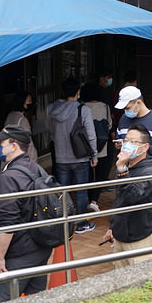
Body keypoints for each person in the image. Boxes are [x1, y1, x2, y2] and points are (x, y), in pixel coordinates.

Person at [0, 126, 54, 302]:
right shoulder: (36, 168)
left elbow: (8, 223)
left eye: (1, 143)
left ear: (14, 146)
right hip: (40, 246)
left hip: (20, 252)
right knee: (33, 302)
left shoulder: (9, 178)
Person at [102, 126, 152, 267]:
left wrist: (122, 169)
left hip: (140, 236)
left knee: (143, 280)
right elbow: (119, 200)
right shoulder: (124, 167)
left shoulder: (150, 171)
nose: (127, 145)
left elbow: (133, 196)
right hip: (120, 234)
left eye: (133, 142)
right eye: (126, 141)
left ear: (145, 147)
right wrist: (113, 226)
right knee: (121, 278)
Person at [47, 78, 98, 234]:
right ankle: (81, 224)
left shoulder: (51, 109)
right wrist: (94, 155)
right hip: (80, 157)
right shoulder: (83, 110)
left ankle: (64, 224)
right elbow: (91, 134)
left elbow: (50, 131)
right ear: (78, 92)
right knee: (81, 191)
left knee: (63, 191)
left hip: (61, 157)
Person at [80, 82, 114, 214]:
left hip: (85, 146)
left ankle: (88, 199)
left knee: (88, 173)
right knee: (100, 173)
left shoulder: (82, 107)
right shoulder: (105, 107)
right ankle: (95, 200)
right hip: (102, 145)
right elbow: (109, 125)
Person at [2, 91, 39, 162]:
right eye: (29, 101)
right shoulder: (22, 120)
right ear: (22, 103)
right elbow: (28, 144)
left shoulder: (10, 116)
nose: (30, 103)